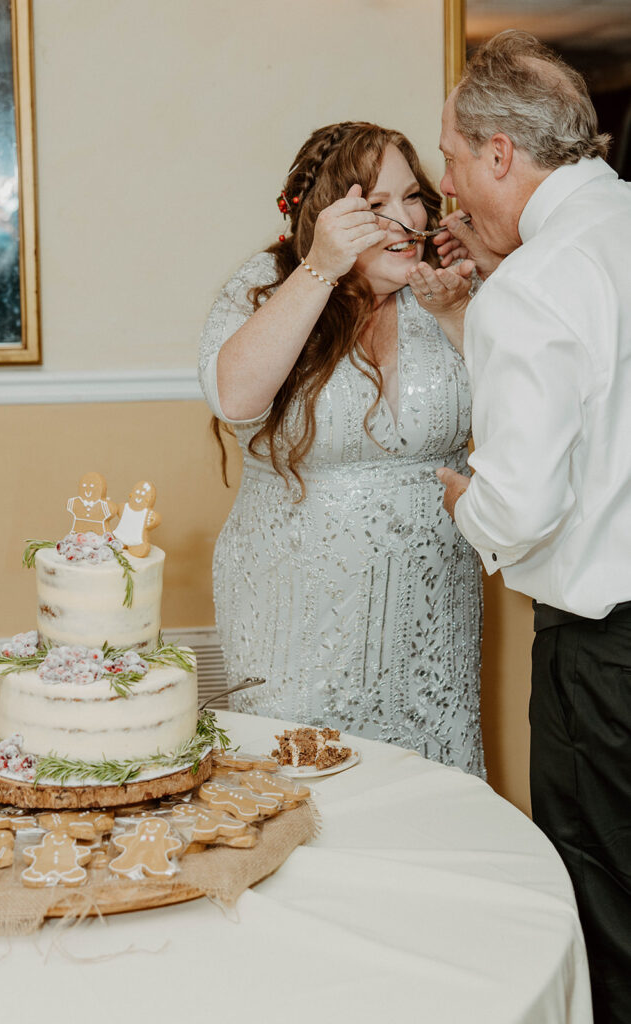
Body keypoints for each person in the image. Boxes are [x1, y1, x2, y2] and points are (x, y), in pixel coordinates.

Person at [436, 30, 631, 1023]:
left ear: (500, 154)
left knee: (602, 899)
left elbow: (518, 507)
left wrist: (463, 502)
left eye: (452, 159)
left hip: (605, 664)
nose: (450, 185)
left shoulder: (538, 284)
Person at [199, 121, 485, 775]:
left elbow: (525, 405)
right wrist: (322, 269)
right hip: (293, 606)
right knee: (300, 787)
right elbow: (235, 397)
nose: (402, 219)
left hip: (428, 611)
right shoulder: (268, 283)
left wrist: (456, 315)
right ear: (326, 218)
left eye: (411, 197)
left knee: (425, 787)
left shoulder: (444, 288)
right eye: (372, 206)